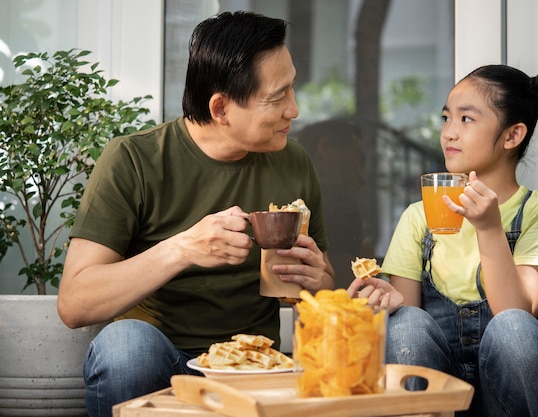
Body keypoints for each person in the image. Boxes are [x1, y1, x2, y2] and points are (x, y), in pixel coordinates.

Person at [57, 11, 334, 417]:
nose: (294, 109)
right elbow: (75, 302)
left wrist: (318, 280)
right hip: (162, 360)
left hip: (255, 365)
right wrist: (183, 249)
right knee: (125, 346)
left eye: (292, 88)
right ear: (221, 108)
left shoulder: (293, 163)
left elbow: (323, 285)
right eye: (278, 97)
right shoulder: (134, 160)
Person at [348, 65, 538, 416]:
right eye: (445, 118)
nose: (449, 133)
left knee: (513, 327)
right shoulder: (418, 216)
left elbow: (516, 311)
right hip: (439, 394)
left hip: (510, 399)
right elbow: (407, 334)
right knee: (404, 321)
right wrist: (384, 301)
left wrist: (489, 227)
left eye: (466, 119)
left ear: (512, 136)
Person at [297, 119, 374, 288]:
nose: (362, 179)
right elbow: (345, 279)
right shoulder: (338, 195)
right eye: (358, 159)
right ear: (324, 149)